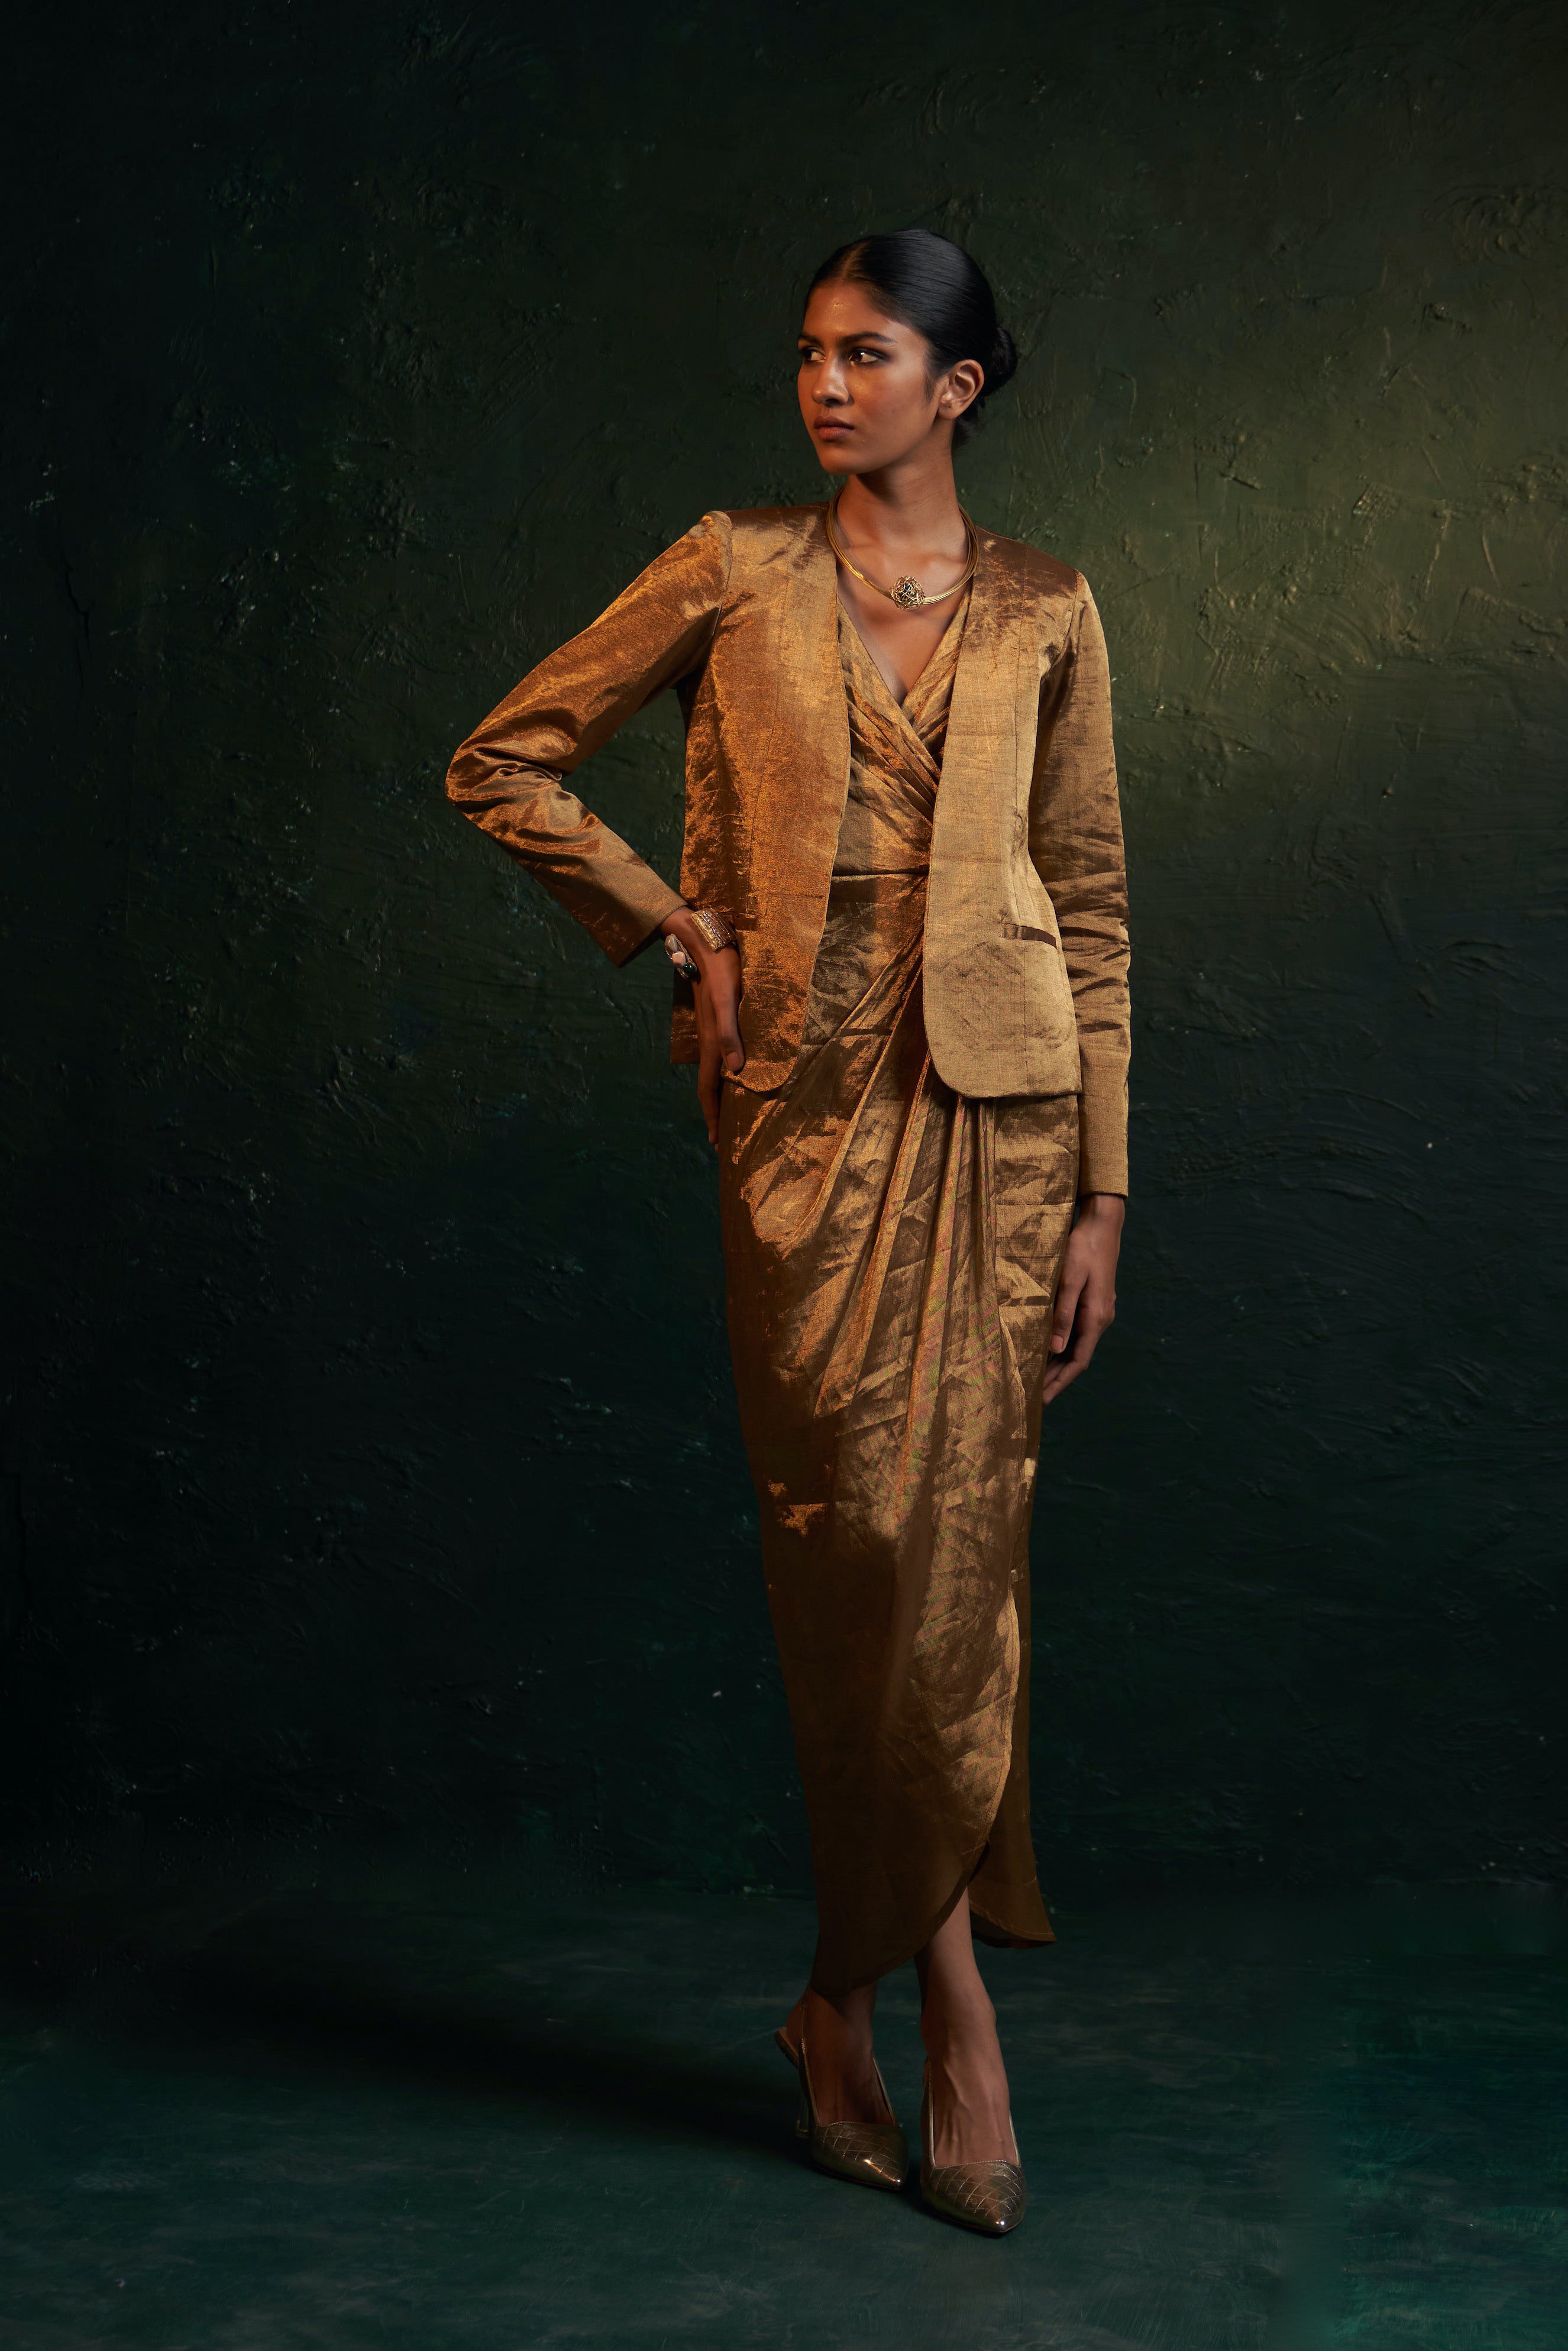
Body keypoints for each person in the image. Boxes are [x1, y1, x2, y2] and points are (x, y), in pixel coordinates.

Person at [446, 228, 1129, 2236]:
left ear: (957, 387)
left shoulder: (1048, 604)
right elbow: (500, 759)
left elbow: (1090, 907)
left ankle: (921, 2016)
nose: (825, 384)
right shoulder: (732, 567)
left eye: (869, 354)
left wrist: (1107, 1187)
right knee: (856, 1549)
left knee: (964, 1557)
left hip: (999, 1123)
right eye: (811, 352)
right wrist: (676, 923)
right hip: (802, 1120)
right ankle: (871, 1992)